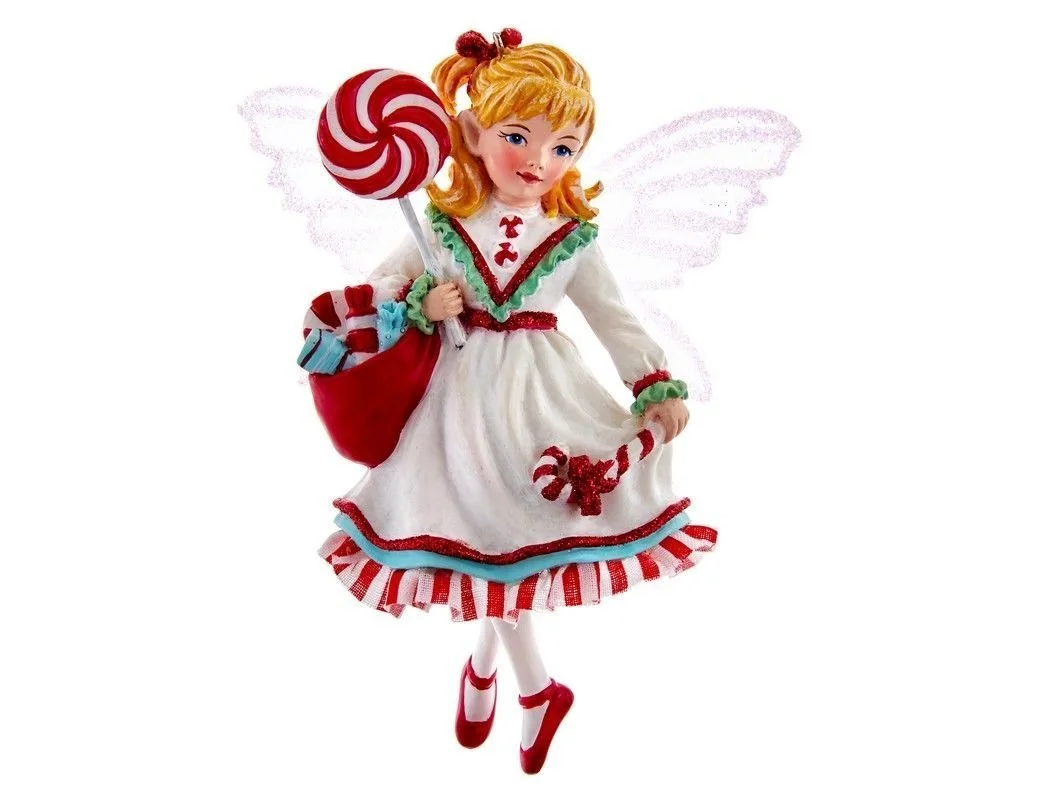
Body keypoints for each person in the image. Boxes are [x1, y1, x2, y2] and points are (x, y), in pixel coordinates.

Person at [314, 28, 717, 774]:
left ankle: (490, 672)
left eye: (562, 147)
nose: (537, 160)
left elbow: (613, 317)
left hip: (541, 400)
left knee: (507, 541)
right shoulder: (441, 227)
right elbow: (376, 292)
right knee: (488, 539)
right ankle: (535, 688)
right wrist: (420, 303)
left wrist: (652, 381)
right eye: (517, 136)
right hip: (456, 411)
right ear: (472, 133)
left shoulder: (570, 236)